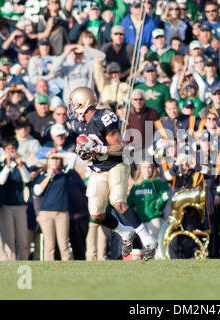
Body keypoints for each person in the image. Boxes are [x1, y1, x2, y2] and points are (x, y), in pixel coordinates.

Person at [69, 86, 158, 260]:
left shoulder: (103, 117)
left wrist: (98, 148)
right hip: (98, 169)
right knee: (96, 214)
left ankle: (148, 240)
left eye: (75, 104)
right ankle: (125, 232)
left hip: (117, 164)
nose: (72, 108)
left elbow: (118, 147)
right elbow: (89, 152)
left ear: (84, 103)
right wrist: (86, 153)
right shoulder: (79, 125)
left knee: (118, 202)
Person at [0, 137, 31, 260]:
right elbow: (1, 181)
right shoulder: (0, 165)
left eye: (13, 148)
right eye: (8, 149)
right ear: (4, 150)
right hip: (6, 206)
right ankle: (10, 263)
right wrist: (7, 165)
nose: (11, 151)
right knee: (9, 239)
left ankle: (24, 261)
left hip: (20, 206)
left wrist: (20, 164)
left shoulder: (21, 165)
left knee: (23, 239)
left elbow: (27, 179)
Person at [127, 160, 169, 245]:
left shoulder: (157, 182)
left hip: (154, 218)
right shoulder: (136, 185)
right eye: (144, 167)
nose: (147, 170)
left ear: (153, 169)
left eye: (149, 167)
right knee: (146, 246)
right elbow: (129, 202)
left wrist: (157, 205)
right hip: (140, 222)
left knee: (154, 244)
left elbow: (166, 193)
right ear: (140, 169)